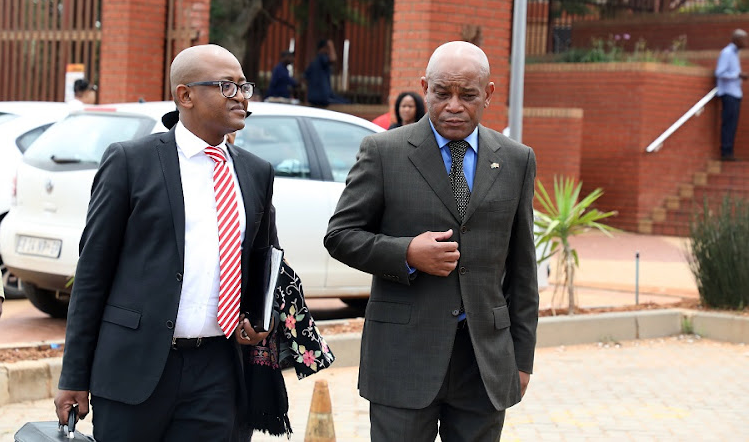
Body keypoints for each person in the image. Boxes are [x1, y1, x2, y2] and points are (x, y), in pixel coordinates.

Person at [54, 44, 278, 441]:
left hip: (219, 371)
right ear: (185, 95)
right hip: (134, 369)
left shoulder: (255, 173)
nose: (242, 96)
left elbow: (264, 262)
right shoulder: (130, 162)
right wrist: (74, 375)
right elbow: (91, 274)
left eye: (245, 86)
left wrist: (260, 319)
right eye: (227, 86)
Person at [325, 41, 539, 442]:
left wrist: (521, 359)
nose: (453, 105)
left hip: (483, 363)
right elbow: (340, 236)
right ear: (425, 87)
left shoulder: (516, 160)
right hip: (403, 357)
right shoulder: (384, 151)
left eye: (468, 95)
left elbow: (522, 269)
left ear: (489, 93)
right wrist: (406, 253)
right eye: (442, 93)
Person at [715, 29, 748, 161]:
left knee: (733, 124)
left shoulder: (735, 54)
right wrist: (737, 75)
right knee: (728, 123)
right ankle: (726, 151)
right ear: (736, 40)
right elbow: (719, 73)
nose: (746, 42)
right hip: (728, 93)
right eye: (744, 39)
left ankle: (729, 151)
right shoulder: (727, 53)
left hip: (736, 93)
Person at [304, 39, 348, 108]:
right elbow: (333, 59)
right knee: (346, 103)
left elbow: (306, 78)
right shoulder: (322, 57)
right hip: (322, 96)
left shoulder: (314, 62)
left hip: (313, 97)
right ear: (324, 48)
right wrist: (331, 46)